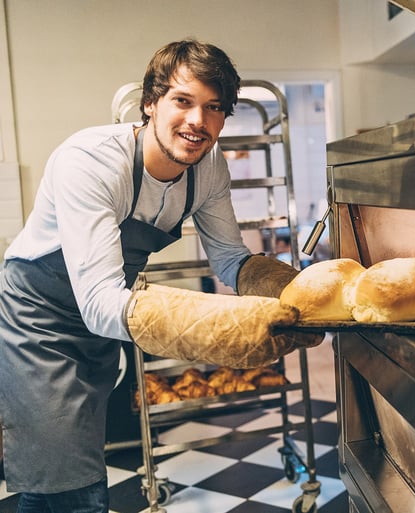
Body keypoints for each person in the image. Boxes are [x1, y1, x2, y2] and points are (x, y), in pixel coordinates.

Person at [0, 39, 319, 513]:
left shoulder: (208, 170)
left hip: (102, 315)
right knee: (62, 476)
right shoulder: (89, 162)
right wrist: (220, 328)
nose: (198, 122)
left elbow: (231, 259)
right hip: (40, 317)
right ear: (150, 103)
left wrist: (304, 297)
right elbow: (98, 301)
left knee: (82, 454)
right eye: (183, 101)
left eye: (213, 108)